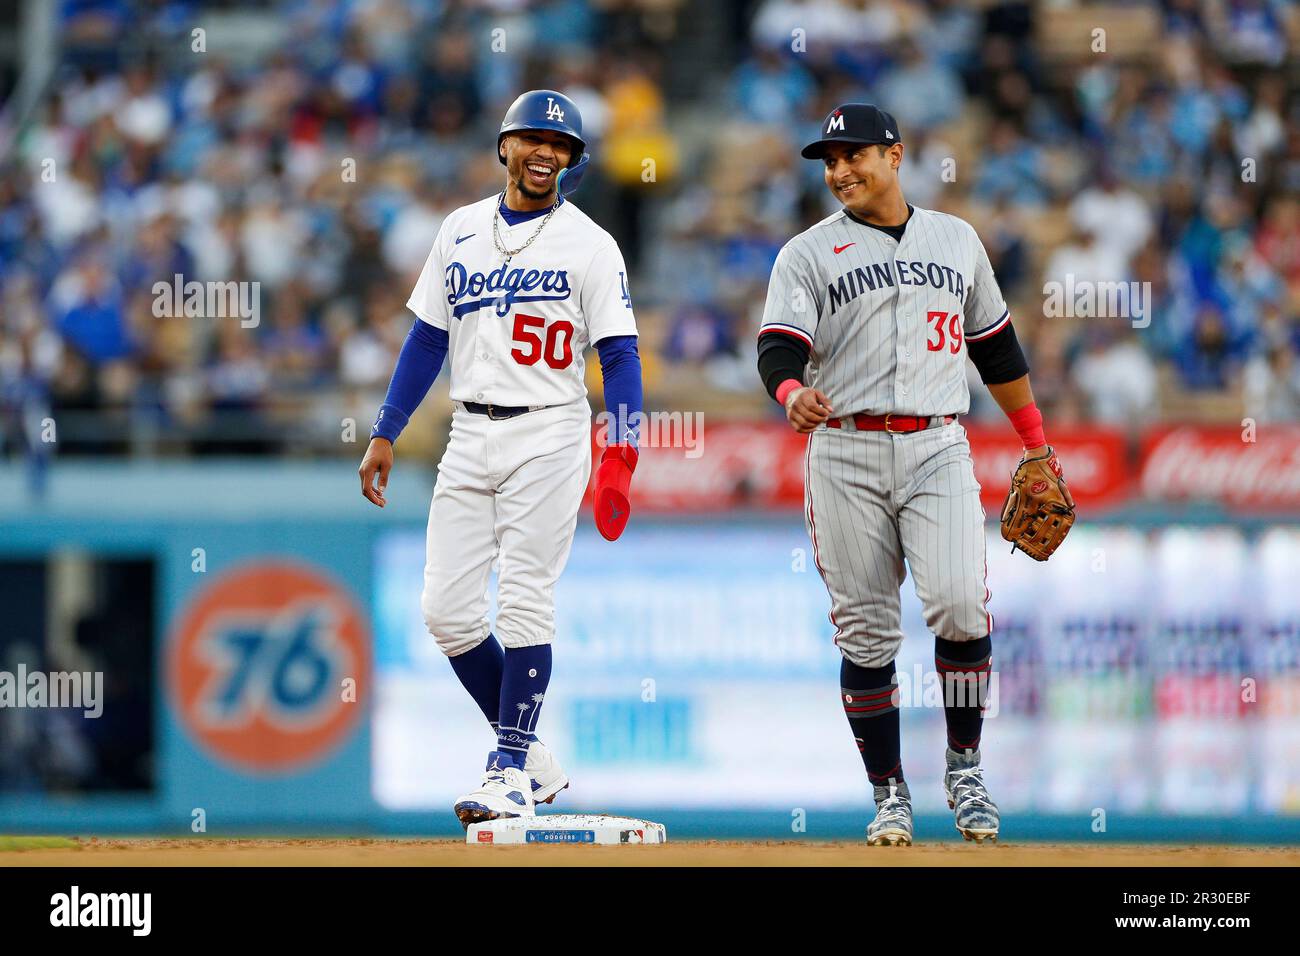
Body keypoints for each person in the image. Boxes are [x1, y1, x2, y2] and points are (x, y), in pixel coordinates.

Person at [358, 90, 643, 828]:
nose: (547, 151)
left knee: (523, 599)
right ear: (505, 147)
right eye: (533, 138)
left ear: (574, 160)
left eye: (562, 144)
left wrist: (623, 448)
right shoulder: (459, 229)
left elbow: (619, 354)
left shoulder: (590, 243)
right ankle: (534, 758)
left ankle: (507, 770)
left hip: (548, 429)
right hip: (469, 430)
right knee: (446, 613)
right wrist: (387, 428)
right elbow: (427, 338)